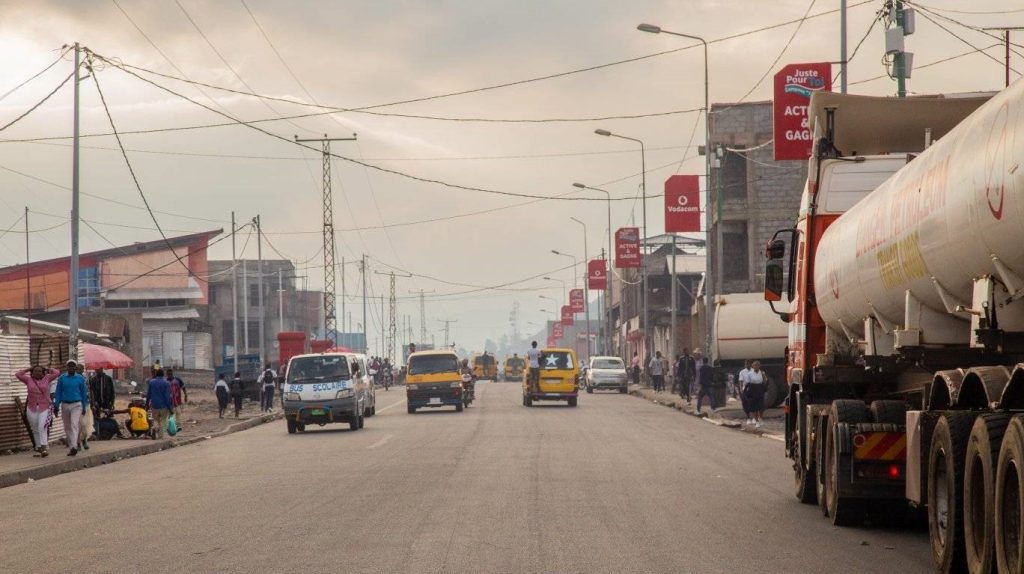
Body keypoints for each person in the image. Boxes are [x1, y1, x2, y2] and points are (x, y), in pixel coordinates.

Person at [15, 365, 60, 457]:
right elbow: (18, 374)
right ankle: (38, 447)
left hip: (44, 407)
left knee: (42, 426)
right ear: (32, 372)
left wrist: (47, 369)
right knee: (35, 428)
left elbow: (57, 373)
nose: (37, 373)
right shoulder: (28, 380)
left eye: (39, 371)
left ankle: (44, 447)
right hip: (32, 407)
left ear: (43, 372)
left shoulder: (47, 378)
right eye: (35, 371)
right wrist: (28, 369)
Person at [53, 361, 88, 456]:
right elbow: (58, 393)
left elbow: (83, 394)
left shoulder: (80, 379)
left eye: (73, 366)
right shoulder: (62, 378)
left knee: (74, 424)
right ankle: (72, 446)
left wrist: (84, 406)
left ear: (76, 368)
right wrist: (56, 405)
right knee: (67, 426)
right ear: (67, 367)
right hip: (65, 404)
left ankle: (74, 446)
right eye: (69, 366)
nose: (71, 368)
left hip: (77, 404)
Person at [145, 368, 173, 440]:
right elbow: (167, 397)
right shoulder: (167, 383)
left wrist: (147, 404)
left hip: (154, 405)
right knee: (162, 421)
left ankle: (154, 428)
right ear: (163, 374)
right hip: (164, 406)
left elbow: (148, 395)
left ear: (156, 374)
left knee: (155, 420)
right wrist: (170, 407)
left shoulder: (151, 382)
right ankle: (160, 437)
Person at [743, 361, 767, 428]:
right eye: (755, 365)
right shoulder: (749, 374)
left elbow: (765, 382)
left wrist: (764, 378)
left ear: (759, 366)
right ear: (752, 366)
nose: (756, 366)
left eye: (758, 365)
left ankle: (760, 418)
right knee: (754, 406)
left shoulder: (762, 373)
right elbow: (747, 383)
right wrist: (745, 391)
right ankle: (756, 421)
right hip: (752, 389)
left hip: (760, 388)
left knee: (761, 405)